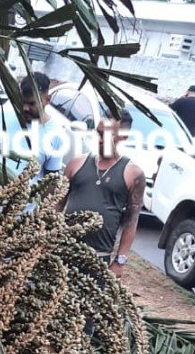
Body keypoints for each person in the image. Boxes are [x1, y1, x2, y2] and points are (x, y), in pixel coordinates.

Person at [61, 113, 146, 276]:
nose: (99, 139)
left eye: (105, 135)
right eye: (98, 133)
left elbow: (131, 220)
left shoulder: (133, 174)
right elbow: (57, 205)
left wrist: (120, 261)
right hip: (63, 253)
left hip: (98, 260)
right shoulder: (76, 164)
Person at [0, 72, 70, 198]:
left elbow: (50, 181)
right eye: (22, 102)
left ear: (47, 100)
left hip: (19, 211)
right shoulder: (3, 115)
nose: (25, 108)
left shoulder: (57, 134)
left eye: (32, 104)